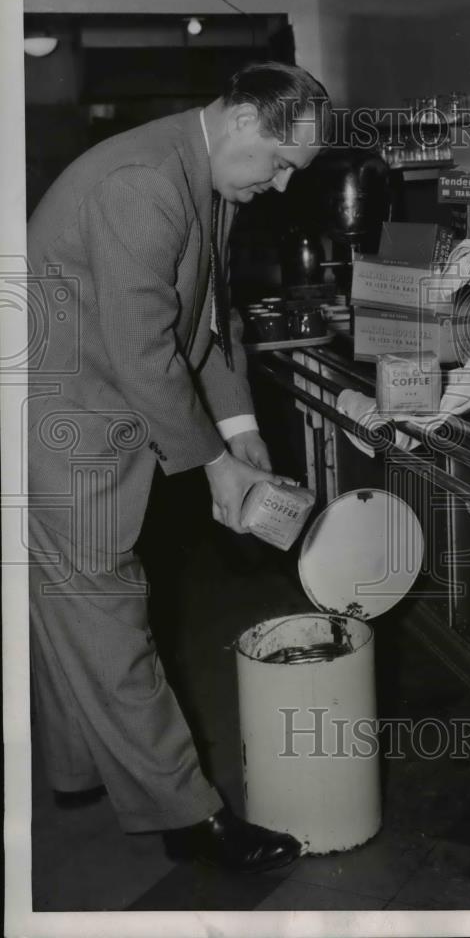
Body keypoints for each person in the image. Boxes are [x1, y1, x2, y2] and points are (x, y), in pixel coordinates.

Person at [26, 62, 330, 872]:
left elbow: (207, 312)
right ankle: (187, 818)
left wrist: (239, 428)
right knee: (111, 619)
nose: (278, 185)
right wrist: (213, 468)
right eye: (277, 163)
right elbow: (144, 351)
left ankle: (77, 774)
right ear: (237, 120)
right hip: (63, 428)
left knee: (71, 612)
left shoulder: (201, 174)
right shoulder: (143, 182)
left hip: (96, 409)